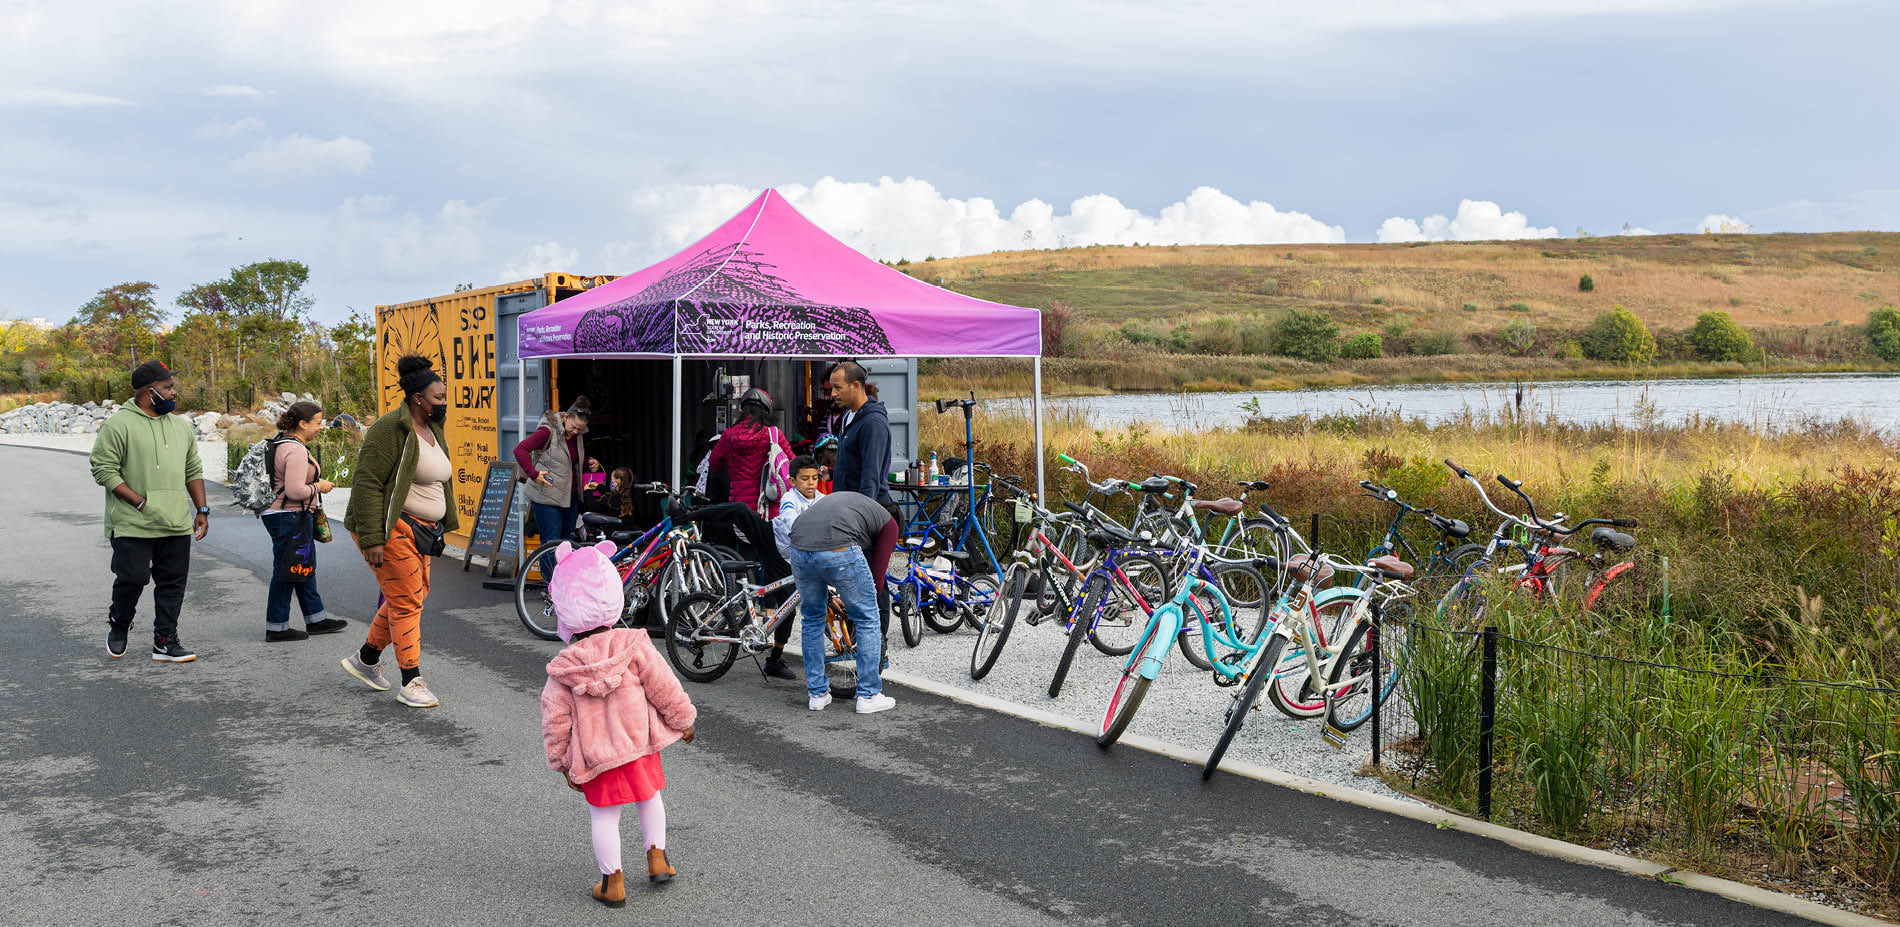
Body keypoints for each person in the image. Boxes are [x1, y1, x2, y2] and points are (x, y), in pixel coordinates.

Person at [541, 538, 697, 905]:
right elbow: (663, 686)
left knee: (604, 817)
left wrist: (562, 761)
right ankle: (657, 857)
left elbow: (556, 720)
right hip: (638, 744)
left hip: (597, 756)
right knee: (649, 797)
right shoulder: (635, 644)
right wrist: (683, 719)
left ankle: (613, 883)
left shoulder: (564, 668)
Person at [340, 355, 458, 709]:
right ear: (417, 398)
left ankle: (365, 659)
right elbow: (367, 483)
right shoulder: (389, 428)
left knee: (409, 597)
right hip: (391, 529)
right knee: (407, 602)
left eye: (445, 396)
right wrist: (374, 538)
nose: (444, 402)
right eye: (438, 397)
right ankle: (411, 680)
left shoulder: (433, 429)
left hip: (421, 531)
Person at [89, 360, 210, 663]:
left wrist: (202, 509)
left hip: (175, 522)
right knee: (132, 578)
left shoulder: (181, 427)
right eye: (168, 388)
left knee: (172, 584)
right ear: (149, 391)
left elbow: (192, 469)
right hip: (132, 522)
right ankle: (119, 622)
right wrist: (139, 502)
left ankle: (165, 642)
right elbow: (103, 470)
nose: (173, 393)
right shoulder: (118, 425)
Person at [785, 492, 900, 714]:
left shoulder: (852, 504)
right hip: (837, 547)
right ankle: (868, 695)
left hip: (798, 547)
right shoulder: (890, 524)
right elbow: (877, 578)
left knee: (812, 619)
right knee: (868, 618)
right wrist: (859, 599)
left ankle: (817, 695)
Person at [262, 401, 348, 642]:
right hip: (290, 515)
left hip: (285, 515)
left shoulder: (282, 442)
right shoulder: (296, 450)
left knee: (302, 566)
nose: (321, 427)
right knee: (287, 570)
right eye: (318, 422)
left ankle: (316, 618)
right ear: (302, 423)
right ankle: (276, 627)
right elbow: (295, 490)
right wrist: (319, 486)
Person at [516, 396, 594, 546]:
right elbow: (520, 449)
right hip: (547, 497)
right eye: (574, 426)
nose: (576, 431)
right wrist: (534, 474)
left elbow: (565, 459)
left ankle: (561, 571)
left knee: (566, 544)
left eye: (580, 429)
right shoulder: (547, 431)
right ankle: (549, 571)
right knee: (551, 544)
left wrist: (587, 461)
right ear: (566, 416)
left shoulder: (576, 435)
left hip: (569, 498)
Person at [707, 388, 793, 517]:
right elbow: (793, 462)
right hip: (769, 507)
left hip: (738, 507)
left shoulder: (728, 436)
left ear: (742, 409)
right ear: (765, 411)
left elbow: (714, 464)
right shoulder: (773, 435)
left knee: (742, 536)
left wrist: (732, 463)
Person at [827, 361, 891, 506]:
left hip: (861, 512)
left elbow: (871, 476)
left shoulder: (873, 423)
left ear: (855, 385)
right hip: (844, 506)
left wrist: (861, 515)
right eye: (832, 388)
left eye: (838, 388)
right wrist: (832, 474)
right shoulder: (848, 415)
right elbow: (853, 465)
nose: (833, 394)